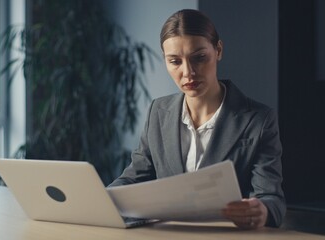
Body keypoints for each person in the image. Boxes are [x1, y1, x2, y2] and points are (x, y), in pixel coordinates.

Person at [108, 9, 285, 229]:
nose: (188, 72)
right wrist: (100, 200)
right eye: (175, 61)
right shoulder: (158, 111)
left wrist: (263, 211)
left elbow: (272, 199)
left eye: (199, 58)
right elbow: (134, 179)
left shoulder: (259, 120)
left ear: (218, 50)